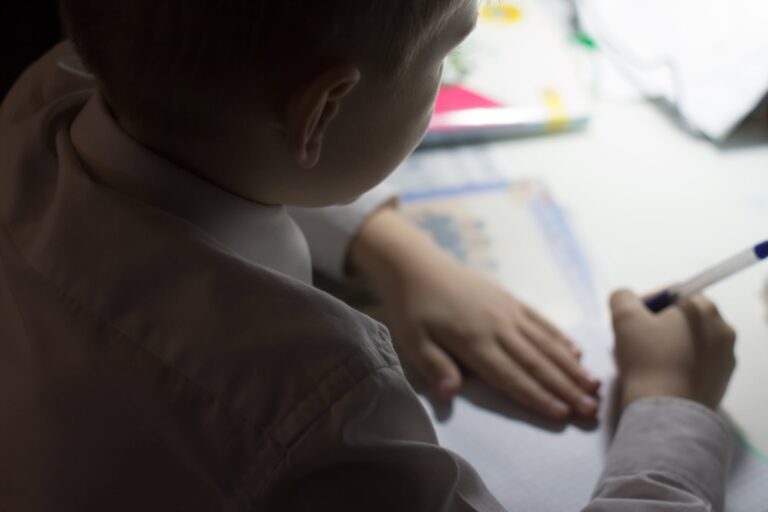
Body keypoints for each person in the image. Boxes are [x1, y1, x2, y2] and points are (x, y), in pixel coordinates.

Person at [0, 0, 736, 510]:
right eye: (450, 48)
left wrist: (385, 242)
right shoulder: (319, 403)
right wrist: (668, 406)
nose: (449, 68)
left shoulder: (39, 100)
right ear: (321, 111)